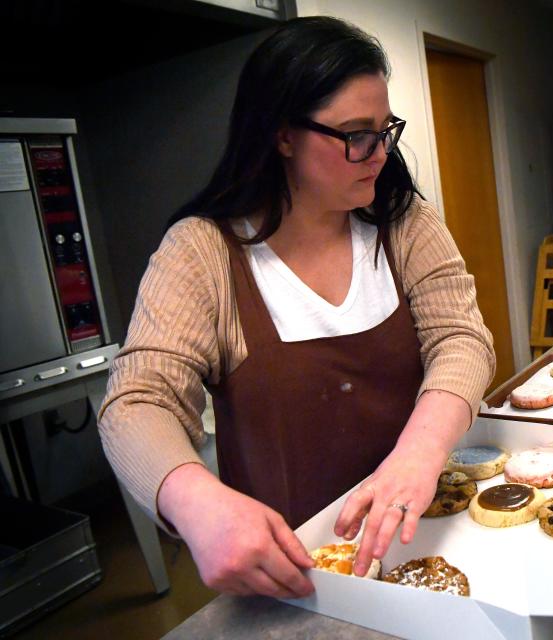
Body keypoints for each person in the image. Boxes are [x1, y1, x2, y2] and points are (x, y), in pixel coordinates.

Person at [97, 16, 495, 599]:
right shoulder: (204, 252)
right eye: (356, 134)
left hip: (430, 539)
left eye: (386, 130)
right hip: (300, 575)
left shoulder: (403, 223)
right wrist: (195, 500)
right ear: (283, 135)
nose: (379, 154)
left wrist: (420, 452)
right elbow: (137, 400)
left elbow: (461, 339)